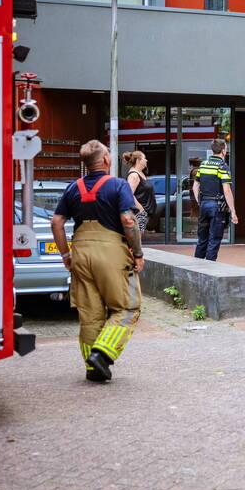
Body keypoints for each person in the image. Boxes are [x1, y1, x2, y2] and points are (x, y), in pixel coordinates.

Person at [50, 140, 143, 383]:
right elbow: (128, 221)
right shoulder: (118, 185)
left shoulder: (73, 188)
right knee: (127, 307)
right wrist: (138, 253)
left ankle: (93, 369)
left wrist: (65, 254)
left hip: (80, 252)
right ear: (105, 160)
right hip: (111, 252)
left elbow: (56, 222)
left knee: (90, 314)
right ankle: (102, 354)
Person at [192, 138, 239, 261]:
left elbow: (195, 186)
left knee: (202, 239)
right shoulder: (222, 166)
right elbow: (227, 190)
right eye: (226, 149)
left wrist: (199, 202)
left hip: (204, 205)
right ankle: (209, 269)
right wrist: (233, 211)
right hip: (217, 207)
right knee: (214, 239)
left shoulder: (203, 164)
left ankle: (196, 268)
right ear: (223, 151)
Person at [123, 150, 155, 234]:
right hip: (138, 214)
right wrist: (141, 210)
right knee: (135, 239)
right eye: (144, 158)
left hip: (143, 214)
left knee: (138, 239)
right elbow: (129, 194)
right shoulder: (134, 175)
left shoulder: (140, 173)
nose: (146, 160)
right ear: (138, 160)